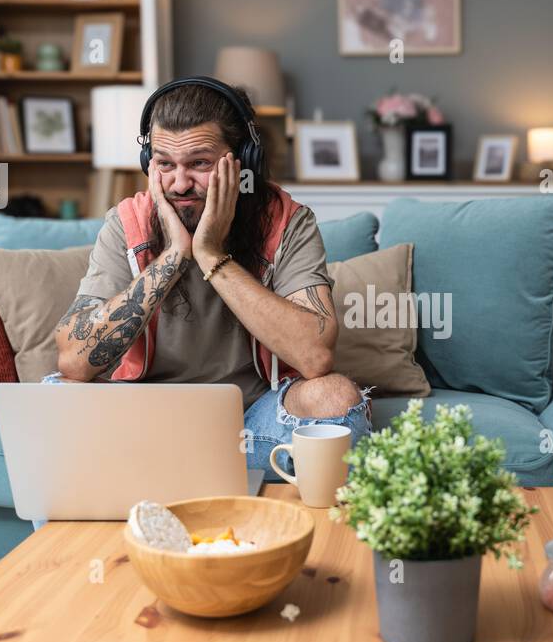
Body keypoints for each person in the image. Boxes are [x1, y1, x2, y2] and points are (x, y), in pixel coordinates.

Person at [50, 78, 370, 473]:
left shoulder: (287, 222)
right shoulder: (126, 223)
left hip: (254, 428)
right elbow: (73, 362)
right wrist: (173, 256)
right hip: (143, 426)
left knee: (335, 395)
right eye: (165, 164)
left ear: (243, 162)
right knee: (57, 397)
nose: (180, 183)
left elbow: (315, 356)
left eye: (200, 163)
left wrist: (210, 255)